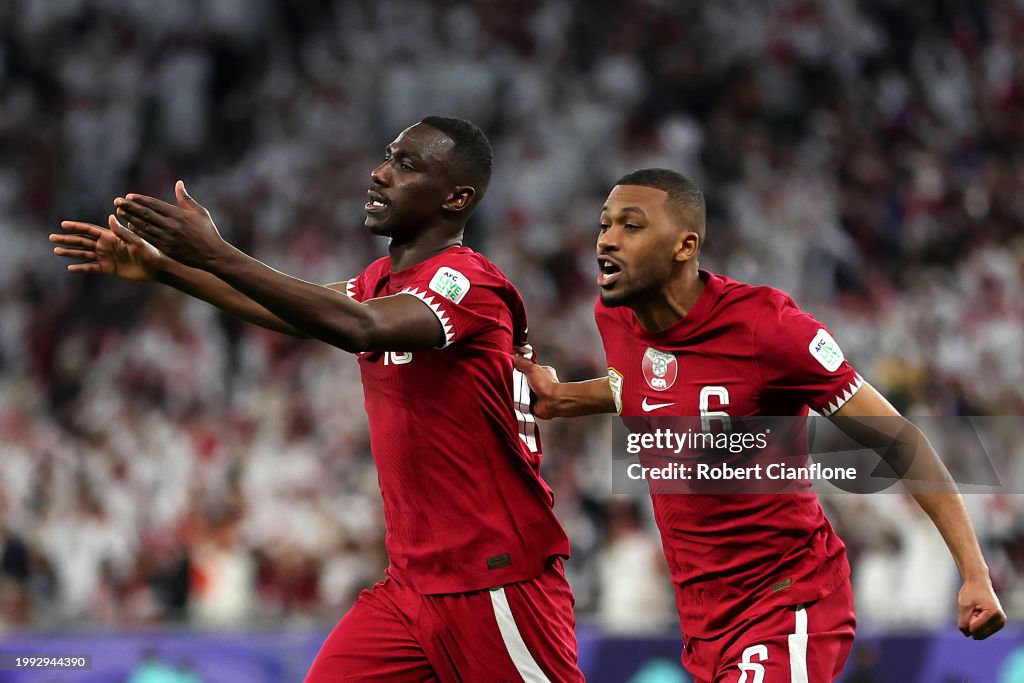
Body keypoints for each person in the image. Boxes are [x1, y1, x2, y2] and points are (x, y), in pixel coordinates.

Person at [50, 117, 582, 682]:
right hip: (411, 587)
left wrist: (215, 253)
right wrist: (165, 269)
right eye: (387, 156)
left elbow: (362, 328)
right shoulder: (380, 280)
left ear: (456, 197)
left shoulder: (469, 282)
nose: (379, 174)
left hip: (495, 580)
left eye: (406, 165)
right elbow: (294, 314)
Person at [514, 168, 1005, 682]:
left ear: (685, 245)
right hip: (703, 620)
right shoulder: (616, 317)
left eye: (631, 226)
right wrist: (564, 398)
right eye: (604, 224)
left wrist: (974, 572)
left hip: (787, 603)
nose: (607, 240)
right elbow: (645, 387)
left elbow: (900, 442)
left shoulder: (767, 329)